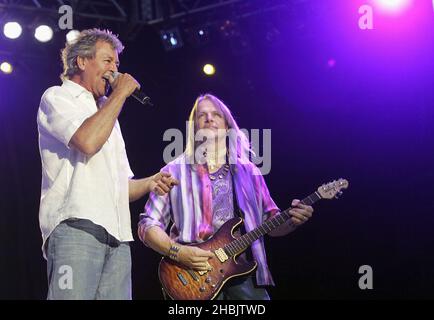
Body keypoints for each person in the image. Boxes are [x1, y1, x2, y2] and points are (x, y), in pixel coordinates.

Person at [37, 28, 177, 300]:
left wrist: (150, 182)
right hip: (76, 228)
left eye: (117, 63)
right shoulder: (57, 97)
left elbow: (120, 188)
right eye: (107, 61)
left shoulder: (107, 113)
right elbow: (87, 141)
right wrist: (120, 95)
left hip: (118, 235)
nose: (115, 70)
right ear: (81, 61)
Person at [138, 94, 313, 300]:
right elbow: (148, 224)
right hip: (190, 274)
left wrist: (293, 219)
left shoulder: (249, 171)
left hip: (243, 273)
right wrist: (177, 252)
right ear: (194, 128)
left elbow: (270, 222)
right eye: (202, 115)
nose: (209, 119)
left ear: (228, 125)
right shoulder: (174, 170)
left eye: (216, 115)